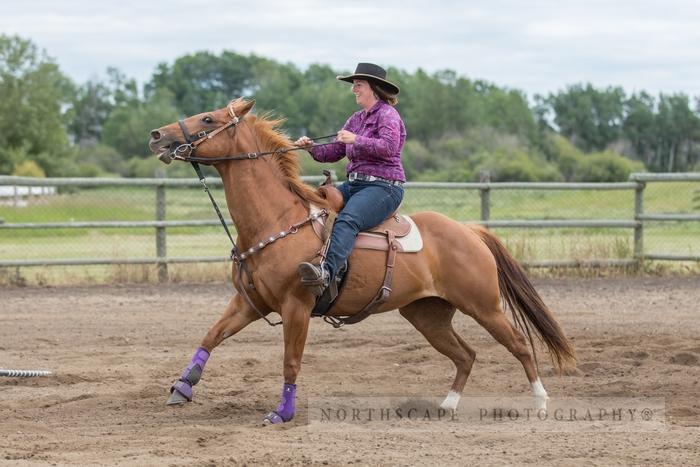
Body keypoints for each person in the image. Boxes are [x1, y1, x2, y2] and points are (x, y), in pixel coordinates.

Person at [295, 63, 406, 299]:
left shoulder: (388, 115)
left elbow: (389, 147)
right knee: (313, 207)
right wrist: (311, 148)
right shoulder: (356, 119)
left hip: (384, 186)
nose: (354, 90)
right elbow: (334, 152)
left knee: (348, 219)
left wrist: (356, 139)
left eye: (358, 85)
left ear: (374, 89)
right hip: (356, 185)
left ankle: (326, 272)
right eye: (354, 85)